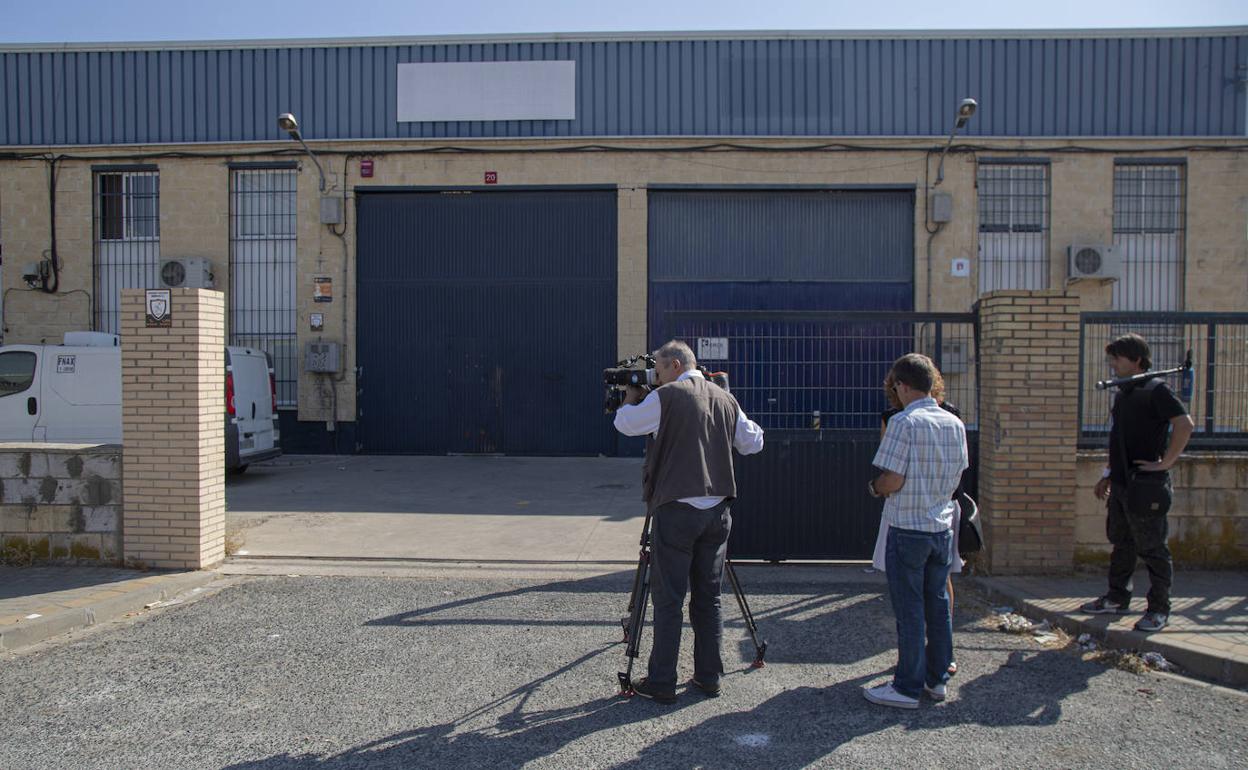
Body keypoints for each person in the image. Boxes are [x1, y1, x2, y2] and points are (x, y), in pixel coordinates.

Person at [613, 340, 764, 704]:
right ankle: (708, 676)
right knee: (708, 597)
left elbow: (625, 424)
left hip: (677, 510)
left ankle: (663, 681)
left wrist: (633, 395)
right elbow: (754, 442)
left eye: (660, 371)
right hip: (717, 512)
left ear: (676, 365)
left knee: (669, 598)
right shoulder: (725, 399)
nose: (657, 379)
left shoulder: (667, 398)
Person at [864, 353, 968, 710]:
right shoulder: (953, 423)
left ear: (903, 386)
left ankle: (906, 687)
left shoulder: (904, 423)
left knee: (910, 611)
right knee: (938, 605)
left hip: (908, 527)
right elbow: (958, 475)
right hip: (941, 527)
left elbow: (892, 479)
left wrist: (875, 488)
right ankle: (937, 680)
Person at [1080, 333, 1193, 633]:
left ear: (1137, 360)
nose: (1113, 363)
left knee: (1153, 547)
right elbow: (1119, 438)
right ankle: (1117, 597)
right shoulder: (1124, 392)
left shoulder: (1157, 390)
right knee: (1122, 542)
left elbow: (1185, 424)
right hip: (1121, 482)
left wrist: (1165, 463)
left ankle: (1159, 609)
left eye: (1118, 358)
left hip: (1146, 485)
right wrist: (1108, 474)